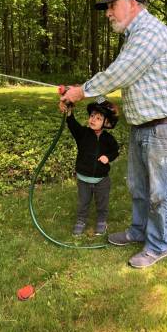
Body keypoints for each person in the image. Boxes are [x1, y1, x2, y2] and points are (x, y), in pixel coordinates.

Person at [60, 0, 167, 268]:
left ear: (132, 3)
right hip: (144, 126)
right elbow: (131, 79)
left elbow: (121, 72)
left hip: (165, 127)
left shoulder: (149, 31)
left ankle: (158, 246)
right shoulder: (135, 36)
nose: (108, 12)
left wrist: (81, 91)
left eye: (111, 5)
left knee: (160, 192)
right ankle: (138, 231)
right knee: (138, 186)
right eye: (106, 7)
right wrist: (81, 92)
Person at [64, 97, 119, 235]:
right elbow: (72, 124)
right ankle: (81, 220)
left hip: (101, 180)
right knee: (83, 202)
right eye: (92, 116)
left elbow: (115, 151)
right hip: (83, 179)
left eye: (98, 118)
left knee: (102, 202)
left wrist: (108, 157)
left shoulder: (109, 139)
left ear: (106, 122)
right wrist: (69, 111)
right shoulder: (83, 134)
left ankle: (101, 220)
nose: (93, 119)